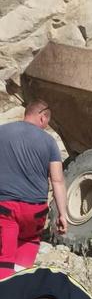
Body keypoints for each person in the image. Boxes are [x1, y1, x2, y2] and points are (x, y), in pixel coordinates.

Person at [0, 99, 68, 280]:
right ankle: (20, 284)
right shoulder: (49, 142)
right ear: (42, 117)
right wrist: (63, 214)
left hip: (6, 208)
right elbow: (57, 180)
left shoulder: (2, 132)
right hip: (35, 211)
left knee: (4, 258)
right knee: (28, 242)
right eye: (47, 122)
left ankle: (3, 291)